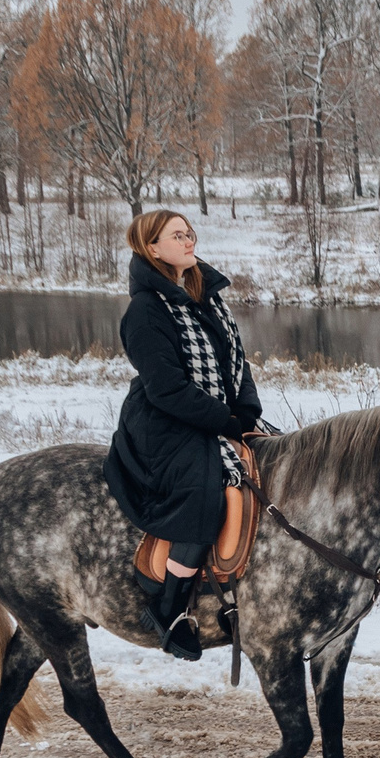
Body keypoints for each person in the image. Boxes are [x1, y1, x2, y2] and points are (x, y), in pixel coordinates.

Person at [102, 209, 265, 661]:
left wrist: (246, 413)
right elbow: (167, 388)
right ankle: (169, 608)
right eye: (178, 235)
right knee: (205, 491)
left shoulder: (206, 296)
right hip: (163, 423)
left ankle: (246, 590)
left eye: (189, 232)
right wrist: (224, 422)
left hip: (212, 414)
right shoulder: (145, 311)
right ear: (152, 248)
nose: (189, 239)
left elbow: (237, 362)